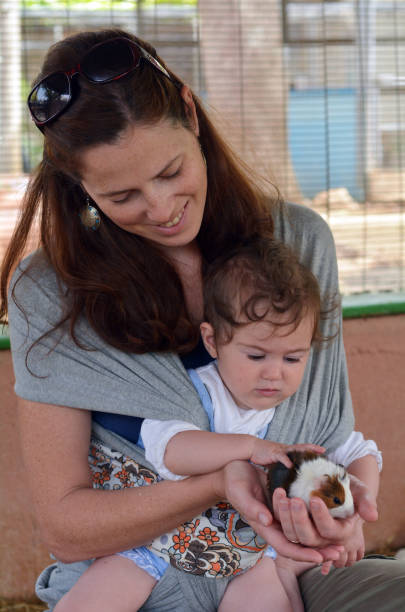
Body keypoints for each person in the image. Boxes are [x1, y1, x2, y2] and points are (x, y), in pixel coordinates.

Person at [0, 27, 404, 612]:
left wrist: (337, 516)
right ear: (80, 188)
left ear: (190, 113)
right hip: (138, 578)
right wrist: (215, 485)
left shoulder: (298, 242)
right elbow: (67, 528)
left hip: (283, 562)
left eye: (170, 173)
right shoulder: (48, 292)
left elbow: (328, 437)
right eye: (122, 197)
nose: (161, 209)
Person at [52, 236, 382, 612]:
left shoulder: (302, 410)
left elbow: (357, 450)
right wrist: (248, 448)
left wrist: (356, 510)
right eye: (256, 355)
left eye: (293, 358)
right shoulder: (197, 390)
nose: (274, 373)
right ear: (212, 340)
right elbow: (170, 449)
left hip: (246, 558)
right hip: (157, 547)